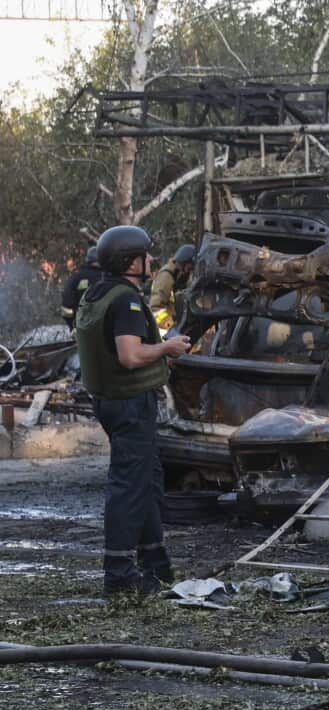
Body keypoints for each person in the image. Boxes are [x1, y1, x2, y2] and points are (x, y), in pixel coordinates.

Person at [75, 226, 191, 597]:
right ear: (130, 261)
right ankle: (121, 576)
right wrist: (167, 349)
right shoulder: (126, 300)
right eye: (145, 256)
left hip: (112, 401)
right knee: (128, 488)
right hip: (129, 403)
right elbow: (130, 355)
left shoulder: (98, 292)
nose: (151, 261)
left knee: (147, 481)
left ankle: (154, 565)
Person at [148, 243, 196, 330]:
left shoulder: (181, 276)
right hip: (165, 330)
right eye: (190, 266)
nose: (191, 269)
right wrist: (171, 326)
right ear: (184, 262)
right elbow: (155, 307)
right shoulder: (166, 277)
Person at [59, 245, 105, 329]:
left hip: (82, 330)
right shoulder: (110, 277)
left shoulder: (76, 278)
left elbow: (66, 306)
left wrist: (73, 326)